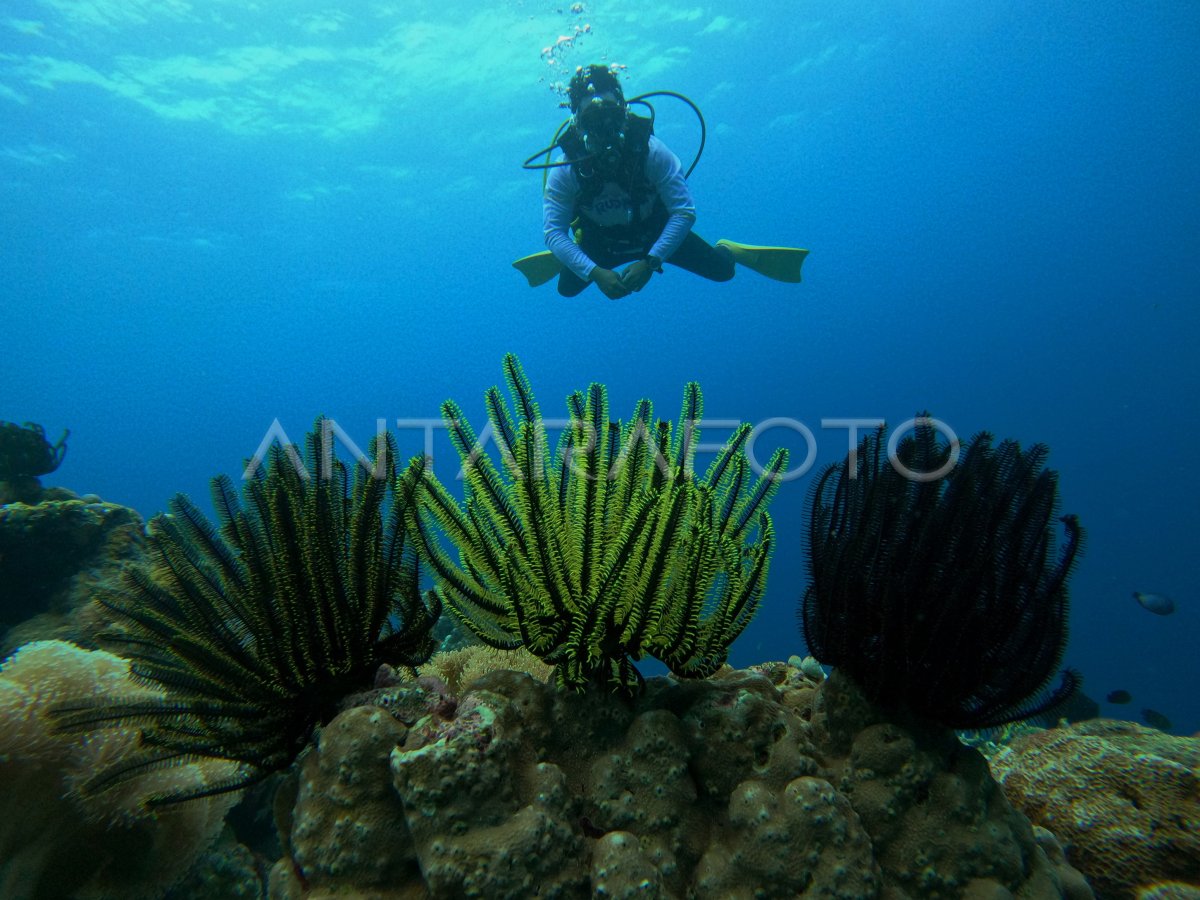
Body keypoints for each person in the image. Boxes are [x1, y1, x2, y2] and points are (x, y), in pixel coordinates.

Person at [516, 64, 806, 298]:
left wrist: (651, 262)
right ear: (578, 124)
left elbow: (683, 212)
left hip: (655, 231)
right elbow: (554, 231)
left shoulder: (652, 152)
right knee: (566, 290)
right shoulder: (565, 170)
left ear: (624, 112)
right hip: (601, 240)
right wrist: (595, 272)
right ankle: (573, 253)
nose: (605, 129)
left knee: (723, 272)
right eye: (593, 120)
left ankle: (728, 250)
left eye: (611, 117)